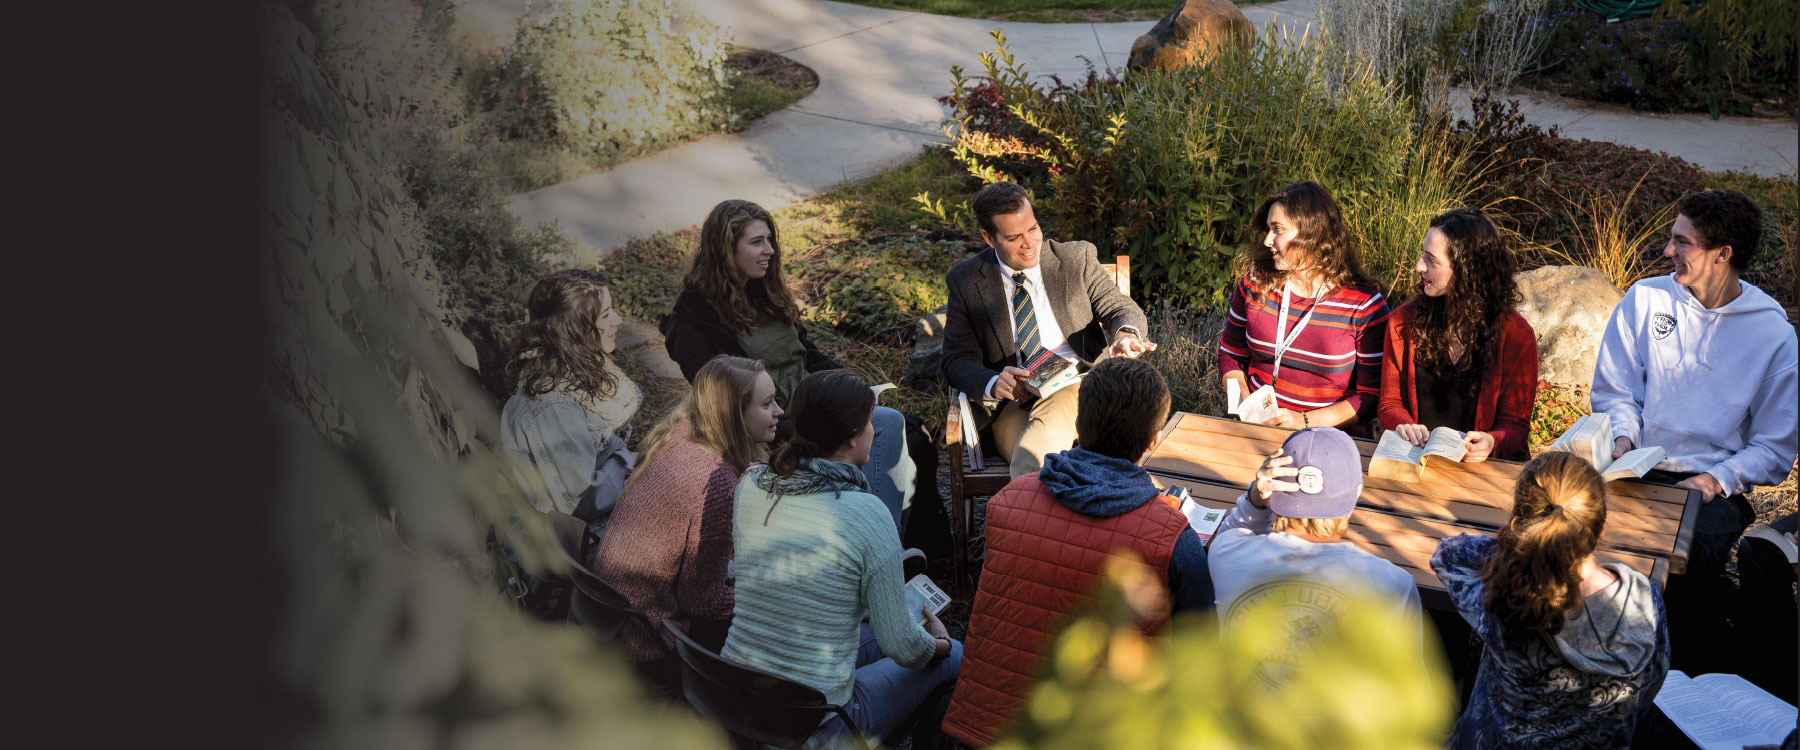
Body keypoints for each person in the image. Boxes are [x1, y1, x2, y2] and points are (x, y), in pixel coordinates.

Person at [942, 357, 1213, 748]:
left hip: (981, 731)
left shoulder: (1007, 502)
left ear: (1077, 425)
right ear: (1153, 442)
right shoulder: (1172, 536)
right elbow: (1199, 654)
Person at [1590, 189, 1798, 675]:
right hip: (1632, 469)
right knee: (1579, 544)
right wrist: (1622, 438)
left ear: (1723, 254)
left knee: (1678, 571)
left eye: (1682, 242)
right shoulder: (1646, 299)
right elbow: (1616, 391)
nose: (1668, 252)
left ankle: (1687, 684)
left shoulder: (1772, 334)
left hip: (1710, 488)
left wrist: (1713, 481)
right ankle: (1598, 670)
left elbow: (1773, 448)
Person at [724, 370, 962, 750]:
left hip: (734, 698)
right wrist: (939, 645)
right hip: (812, 726)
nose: (874, 430)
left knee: (873, 634)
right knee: (953, 659)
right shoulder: (865, 511)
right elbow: (903, 646)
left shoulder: (752, 482)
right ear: (853, 436)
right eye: (870, 423)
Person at [660, 199, 921, 533]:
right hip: (779, 426)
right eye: (756, 242)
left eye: (770, 240)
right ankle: (875, 541)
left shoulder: (763, 293)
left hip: (814, 405)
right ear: (725, 249)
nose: (769, 250)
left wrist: (848, 387)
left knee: (904, 435)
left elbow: (806, 353)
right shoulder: (695, 317)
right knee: (884, 427)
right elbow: (726, 399)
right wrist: (804, 431)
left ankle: (888, 545)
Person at [1430, 452, 1670, 749]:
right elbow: (1650, 687)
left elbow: (1448, 554)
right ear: (1601, 530)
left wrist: (1518, 549)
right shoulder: (1646, 602)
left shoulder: (1502, 597)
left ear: (1520, 524)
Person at [940, 181, 1154, 478]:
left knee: (1038, 454)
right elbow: (955, 360)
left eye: (1033, 229)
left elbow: (1119, 308)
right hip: (1015, 404)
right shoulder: (967, 281)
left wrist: (1125, 334)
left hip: (1083, 389)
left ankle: (1024, 521)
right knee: (1038, 467)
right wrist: (992, 383)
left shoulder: (1075, 259)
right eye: (1014, 237)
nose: (1029, 243)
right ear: (989, 238)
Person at [592, 356, 780, 684]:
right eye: (767, 404)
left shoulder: (681, 436)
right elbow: (703, 603)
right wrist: (765, 588)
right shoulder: (715, 478)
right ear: (735, 414)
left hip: (610, 618)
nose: (779, 411)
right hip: (645, 644)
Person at [1208, 427, 1423, 665]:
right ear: (1357, 493)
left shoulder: (1226, 552)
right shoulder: (1393, 584)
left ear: (1271, 490)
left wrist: (1254, 500)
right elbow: (1410, 680)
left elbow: (1230, 533)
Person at [1219, 181, 1390, 435]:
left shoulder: (1363, 304)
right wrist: (1245, 402)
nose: (1268, 240)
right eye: (1268, 229)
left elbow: (1371, 396)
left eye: (1278, 230)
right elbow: (1230, 353)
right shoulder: (1255, 283)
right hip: (1254, 430)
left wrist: (1304, 422)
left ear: (1316, 233)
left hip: (1328, 437)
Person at [1379, 208, 1537, 461]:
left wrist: (1491, 442)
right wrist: (1403, 425)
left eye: (1432, 260)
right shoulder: (1402, 322)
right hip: (1417, 464)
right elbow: (1390, 404)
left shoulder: (1516, 335)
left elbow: (1515, 427)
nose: (1419, 266)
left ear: (1467, 270)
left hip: (1486, 476)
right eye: (1422, 254)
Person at [501, 269, 640, 531]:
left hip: (600, 525)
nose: (618, 320)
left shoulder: (576, 374)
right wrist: (627, 460)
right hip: (575, 550)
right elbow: (581, 502)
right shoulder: (552, 406)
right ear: (573, 330)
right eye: (607, 314)